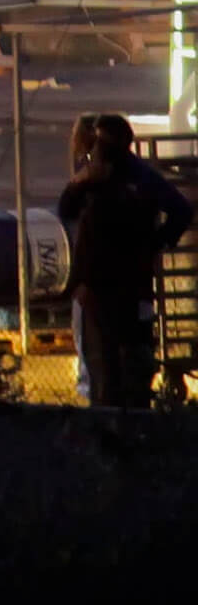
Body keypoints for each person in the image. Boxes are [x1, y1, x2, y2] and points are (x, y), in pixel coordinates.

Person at [58, 113, 194, 410]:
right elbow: (67, 210)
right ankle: (116, 416)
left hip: (117, 290)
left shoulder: (129, 180)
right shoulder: (105, 179)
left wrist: (155, 243)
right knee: (110, 366)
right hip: (109, 290)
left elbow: (181, 210)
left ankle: (123, 417)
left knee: (121, 364)